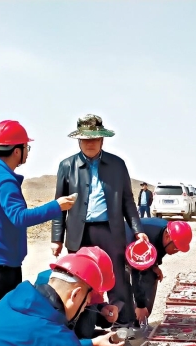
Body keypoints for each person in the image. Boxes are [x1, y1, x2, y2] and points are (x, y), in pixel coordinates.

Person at [0, 120, 77, 320]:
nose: (27, 152)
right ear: (17, 151)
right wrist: (56, 206)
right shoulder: (4, 180)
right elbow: (19, 217)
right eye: (26, 147)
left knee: (3, 316)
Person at [51, 114, 148, 327]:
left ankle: (124, 324)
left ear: (102, 139)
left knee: (117, 277)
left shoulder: (117, 164)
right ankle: (83, 326)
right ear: (79, 140)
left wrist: (138, 229)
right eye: (85, 139)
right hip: (79, 232)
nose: (90, 143)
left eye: (94, 138)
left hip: (110, 231)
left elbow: (128, 201)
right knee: (80, 278)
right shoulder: (67, 166)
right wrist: (56, 238)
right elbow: (59, 205)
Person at [34, 246, 121, 346]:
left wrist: (104, 312)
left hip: (69, 339)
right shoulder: (50, 292)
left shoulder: (79, 284)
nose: (90, 300)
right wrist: (91, 344)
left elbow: (92, 307)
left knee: (109, 342)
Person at [126, 218, 192, 326]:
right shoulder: (148, 239)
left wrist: (154, 265)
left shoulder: (166, 234)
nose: (177, 251)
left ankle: (141, 319)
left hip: (138, 253)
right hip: (121, 245)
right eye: (176, 248)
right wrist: (140, 305)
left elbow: (158, 250)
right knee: (124, 283)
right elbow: (137, 274)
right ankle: (130, 321)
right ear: (168, 237)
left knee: (152, 275)